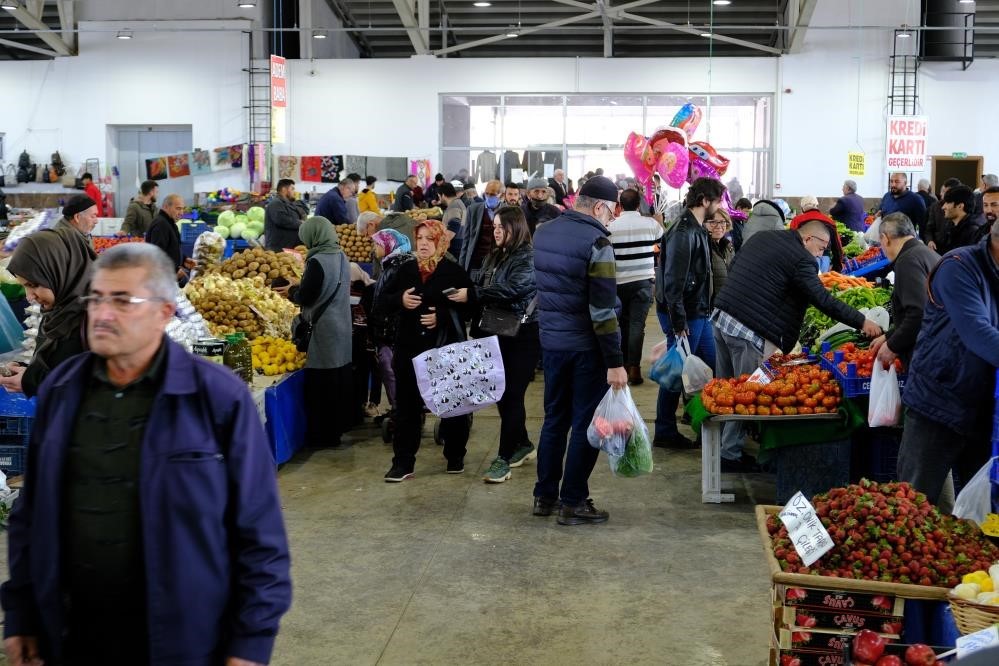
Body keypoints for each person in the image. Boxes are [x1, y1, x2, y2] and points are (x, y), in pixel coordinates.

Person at [1, 243, 291, 665]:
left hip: (182, 640)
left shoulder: (215, 397)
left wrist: (249, 644)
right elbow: (32, 512)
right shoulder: (64, 389)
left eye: (122, 301)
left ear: (163, 312)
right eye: (96, 298)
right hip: (74, 635)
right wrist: (22, 612)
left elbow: (260, 532)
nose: (101, 313)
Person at [710, 221, 883, 471]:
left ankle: (720, 448)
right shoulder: (803, 259)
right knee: (746, 394)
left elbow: (736, 267)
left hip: (722, 318)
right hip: (749, 331)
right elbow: (821, 299)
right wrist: (861, 321)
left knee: (727, 388)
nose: (820, 254)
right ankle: (729, 455)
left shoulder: (763, 235)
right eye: (821, 248)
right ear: (807, 239)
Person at [532, 175, 627, 526]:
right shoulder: (597, 241)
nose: (611, 217)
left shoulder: (544, 233)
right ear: (599, 207)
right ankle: (572, 502)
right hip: (587, 348)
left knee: (554, 420)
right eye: (611, 210)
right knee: (587, 423)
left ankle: (544, 496)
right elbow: (602, 311)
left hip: (552, 344)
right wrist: (616, 361)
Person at [897, 223, 999, 505]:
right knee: (914, 504)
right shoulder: (958, 266)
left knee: (976, 511)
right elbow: (977, 332)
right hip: (938, 403)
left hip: (982, 411)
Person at [447, 207, 539, 484]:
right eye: (495, 226)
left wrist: (472, 294)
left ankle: (503, 459)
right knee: (502, 395)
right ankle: (521, 443)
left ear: (517, 228)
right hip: (495, 330)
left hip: (522, 335)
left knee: (512, 394)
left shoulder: (528, 257)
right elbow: (479, 281)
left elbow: (514, 289)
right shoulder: (494, 255)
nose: (497, 231)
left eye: (503, 226)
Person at [381, 220, 474, 482]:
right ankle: (403, 462)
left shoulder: (453, 272)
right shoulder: (404, 270)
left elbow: (469, 307)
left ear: (440, 242)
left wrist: (442, 316)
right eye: (419, 238)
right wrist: (399, 300)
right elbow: (382, 302)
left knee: (452, 404)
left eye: (429, 239)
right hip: (408, 347)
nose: (422, 243)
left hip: (443, 348)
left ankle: (455, 454)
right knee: (406, 408)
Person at [276, 217, 354, 449]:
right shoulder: (340, 256)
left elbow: (308, 296)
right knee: (339, 378)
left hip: (324, 329)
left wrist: (292, 292)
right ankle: (337, 430)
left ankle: (323, 436)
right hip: (342, 323)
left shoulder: (317, 260)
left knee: (323, 383)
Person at [654, 177, 718, 450]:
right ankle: (664, 430)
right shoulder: (683, 231)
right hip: (686, 314)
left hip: (697, 311)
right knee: (676, 371)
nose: (719, 206)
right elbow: (673, 281)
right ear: (705, 200)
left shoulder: (695, 228)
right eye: (717, 201)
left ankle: (703, 422)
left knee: (709, 366)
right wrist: (678, 321)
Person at [0, 229, 92, 397]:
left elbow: (92, 385)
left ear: (59, 270)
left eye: (33, 284)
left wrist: (33, 381)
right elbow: (57, 366)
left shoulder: (96, 319)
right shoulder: (57, 311)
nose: (29, 297)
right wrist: (26, 371)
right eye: (24, 286)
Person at [869, 213, 939, 369]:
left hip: (930, 356)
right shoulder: (925, 252)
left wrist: (893, 345)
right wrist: (889, 336)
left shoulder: (907, 261)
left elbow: (919, 312)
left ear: (885, 238)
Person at [610, 188, 662, 386]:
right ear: (639, 205)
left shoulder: (611, 226)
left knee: (622, 325)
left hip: (619, 282)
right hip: (643, 282)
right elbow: (660, 245)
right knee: (637, 326)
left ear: (619, 206)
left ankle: (622, 366)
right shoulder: (651, 224)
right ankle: (635, 369)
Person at [366, 229, 414, 423]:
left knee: (391, 371)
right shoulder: (392, 264)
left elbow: (393, 300)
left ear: (389, 245)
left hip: (391, 331)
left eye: (377, 244)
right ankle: (400, 408)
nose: (374, 248)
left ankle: (401, 411)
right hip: (389, 330)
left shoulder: (398, 266)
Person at [458, 178, 503, 282]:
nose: (489, 197)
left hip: (497, 261)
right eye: (487, 194)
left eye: (493, 194)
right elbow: (466, 240)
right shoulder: (473, 210)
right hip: (476, 260)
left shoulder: (507, 211)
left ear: (501, 195)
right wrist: (461, 268)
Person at [145, 193, 191, 282]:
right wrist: (175, 271)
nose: (181, 213)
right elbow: (158, 254)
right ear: (166, 207)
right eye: (178, 208)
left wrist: (184, 259)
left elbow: (171, 248)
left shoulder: (169, 223)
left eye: (182, 209)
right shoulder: (161, 225)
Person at [790, 206, 845, 272]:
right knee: (822, 278)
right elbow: (837, 245)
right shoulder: (829, 220)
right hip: (825, 257)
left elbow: (792, 241)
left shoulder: (797, 219)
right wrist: (837, 267)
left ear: (803, 208)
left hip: (803, 258)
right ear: (817, 206)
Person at [937, 184, 987, 254]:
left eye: (948, 203)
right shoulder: (950, 225)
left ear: (960, 206)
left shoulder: (972, 232)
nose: (943, 207)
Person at [265, 177, 310, 251]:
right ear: (284, 190)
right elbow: (282, 220)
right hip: (279, 250)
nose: (294, 192)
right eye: (292, 189)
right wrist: (301, 223)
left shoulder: (288, 204)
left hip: (289, 248)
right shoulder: (275, 203)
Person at [877, 173, 927, 238]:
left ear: (905, 183)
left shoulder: (915, 199)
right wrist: (878, 215)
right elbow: (881, 212)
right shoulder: (886, 196)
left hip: (906, 241)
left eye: (897, 182)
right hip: (887, 240)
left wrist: (921, 241)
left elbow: (923, 224)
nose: (893, 184)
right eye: (891, 181)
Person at [707, 208, 735, 303]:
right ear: (704, 224)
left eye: (723, 222)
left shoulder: (728, 247)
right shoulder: (704, 249)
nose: (719, 226)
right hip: (711, 309)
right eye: (713, 222)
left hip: (726, 305)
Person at [926, 177, 961, 251]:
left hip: (954, 250)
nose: (941, 194)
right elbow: (929, 229)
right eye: (942, 191)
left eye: (945, 192)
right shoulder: (935, 206)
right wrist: (929, 241)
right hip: (937, 249)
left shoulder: (961, 207)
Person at [439, 182, 466, 257]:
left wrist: (442, 245)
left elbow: (455, 224)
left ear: (443, 195)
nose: (439, 199)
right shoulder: (457, 202)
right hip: (458, 246)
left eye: (439, 196)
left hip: (454, 248)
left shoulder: (454, 205)